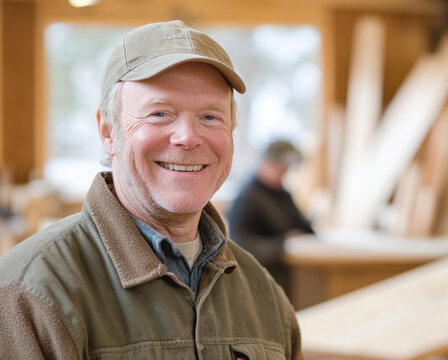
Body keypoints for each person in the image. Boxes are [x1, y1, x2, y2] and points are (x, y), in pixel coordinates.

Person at [0, 20, 302, 359]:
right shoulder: (30, 293)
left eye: (210, 117)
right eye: (159, 113)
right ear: (108, 131)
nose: (187, 136)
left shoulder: (265, 296)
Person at [227, 140, 314, 297]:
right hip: (259, 281)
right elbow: (240, 244)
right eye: (280, 169)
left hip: (285, 275)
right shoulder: (248, 197)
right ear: (266, 162)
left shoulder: (282, 194)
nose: (284, 174)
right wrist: (281, 244)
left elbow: (301, 225)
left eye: (286, 170)